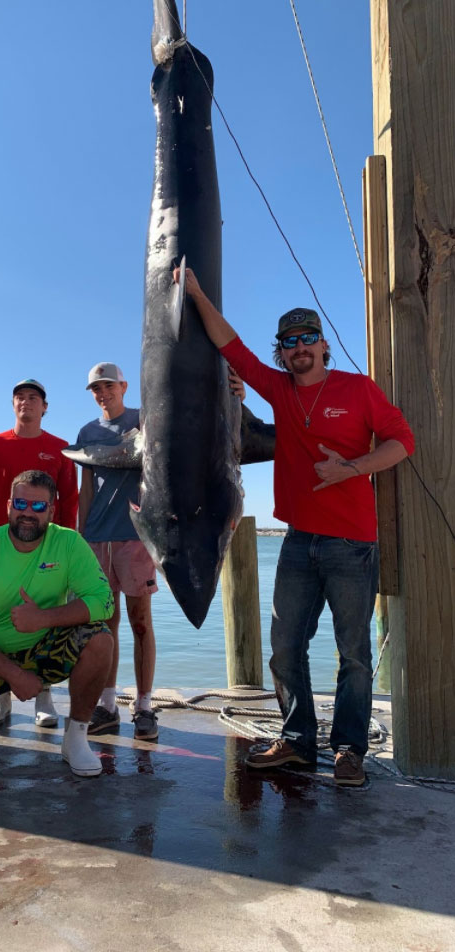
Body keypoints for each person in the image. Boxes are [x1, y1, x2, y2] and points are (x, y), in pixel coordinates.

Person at [179, 266, 415, 787]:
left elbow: (402, 443)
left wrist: (350, 468)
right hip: (297, 542)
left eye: (308, 338)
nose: (299, 348)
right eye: (289, 342)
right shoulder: (279, 391)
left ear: (323, 345)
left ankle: (349, 750)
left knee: (354, 652)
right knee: (285, 647)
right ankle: (298, 742)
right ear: (281, 352)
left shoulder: (358, 390)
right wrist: (195, 293)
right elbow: (231, 346)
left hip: (353, 543)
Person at [0, 470, 114, 777]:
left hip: (45, 649)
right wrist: (15, 675)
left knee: (101, 639)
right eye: (21, 503)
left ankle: (76, 738)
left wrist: (44, 618)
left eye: (39, 506)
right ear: (7, 506)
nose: (28, 513)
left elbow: (103, 601)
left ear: (52, 511)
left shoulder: (69, 543)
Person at [0, 378, 79, 728]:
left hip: (46, 547)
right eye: (19, 397)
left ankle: (43, 695)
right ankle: (2, 695)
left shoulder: (61, 448)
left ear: (44, 407)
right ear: (12, 404)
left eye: (33, 398)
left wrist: (69, 547)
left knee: (43, 613)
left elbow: (69, 503)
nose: (25, 402)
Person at [77, 363, 159, 741]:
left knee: (140, 621)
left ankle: (144, 706)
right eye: (96, 388)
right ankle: (107, 705)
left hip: (136, 535)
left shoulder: (146, 420)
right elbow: (87, 488)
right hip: (98, 538)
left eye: (108, 385)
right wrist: (82, 536)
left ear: (123, 386)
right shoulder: (87, 432)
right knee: (104, 624)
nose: (102, 392)